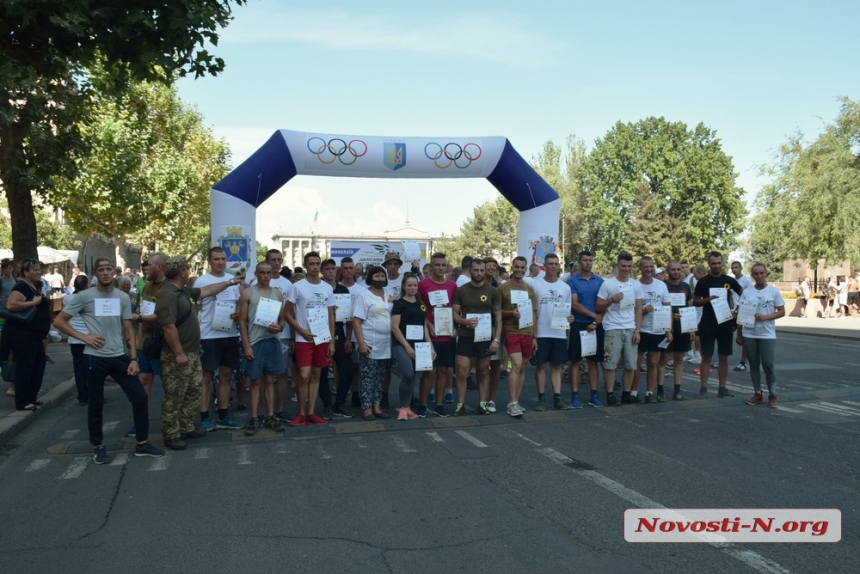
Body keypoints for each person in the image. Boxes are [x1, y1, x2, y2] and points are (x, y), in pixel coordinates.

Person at [53, 258, 164, 463]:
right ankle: (98, 446)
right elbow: (59, 321)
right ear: (96, 273)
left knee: (139, 397)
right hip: (94, 357)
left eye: (108, 269)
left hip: (119, 356)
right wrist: (84, 337)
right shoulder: (84, 296)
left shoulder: (122, 297)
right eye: (101, 270)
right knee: (95, 403)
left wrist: (133, 358)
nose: (105, 273)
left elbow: (128, 328)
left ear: (114, 272)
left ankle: (142, 443)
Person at [156, 256, 242, 450]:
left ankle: (186, 426)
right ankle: (171, 433)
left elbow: (206, 291)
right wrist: (179, 353)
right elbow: (168, 327)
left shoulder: (183, 291)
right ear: (182, 273)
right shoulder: (167, 295)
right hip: (177, 355)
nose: (188, 272)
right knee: (175, 395)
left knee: (193, 390)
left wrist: (230, 282)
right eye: (186, 269)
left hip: (192, 352)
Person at [195, 247, 244, 432]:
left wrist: (239, 313)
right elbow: (196, 309)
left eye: (223, 259)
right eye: (216, 259)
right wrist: (198, 336)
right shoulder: (202, 281)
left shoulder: (235, 281)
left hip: (230, 334)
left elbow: (238, 305)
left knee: (225, 376)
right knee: (206, 377)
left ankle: (224, 415)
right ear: (209, 261)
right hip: (209, 335)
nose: (221, 262)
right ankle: (205, 417)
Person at [285, 251, 336, 426]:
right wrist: (301, 331)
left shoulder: (327, 288)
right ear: (305, 265)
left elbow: (331, 315)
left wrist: (332, 341)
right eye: (311, 264)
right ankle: (300, 413)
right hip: (303, 338)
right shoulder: (298, 286)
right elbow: (286, 313)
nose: (314, 267)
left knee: (316, 374)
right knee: (304, 375)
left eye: (317, 264)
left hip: (322, 338)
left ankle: (311, 412)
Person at [238, 261, 287, 435]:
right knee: (255, 381)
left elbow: (282, 319)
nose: (266, 276)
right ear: (257, 274)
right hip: (255, 342)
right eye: (262, 273)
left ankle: (270, 417)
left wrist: (280, 327)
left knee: (269, 380)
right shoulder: (248, 293)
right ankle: (254, 418)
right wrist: (246, 346)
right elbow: (242, 321)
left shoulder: (278, 294)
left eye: (268, 273)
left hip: (272, 341)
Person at [451, 258, 502, 416]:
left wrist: (496, 340)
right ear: (470, 271)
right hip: (466, 336)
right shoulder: (461, 290)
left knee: (483, 371)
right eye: (476, 270)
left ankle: (482, 403)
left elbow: (498, 319)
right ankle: (460, 404)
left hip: (485, 338)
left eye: (481, 270)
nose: (479, 273)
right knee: (461, 370)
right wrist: (464, 321)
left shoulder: (492, 291)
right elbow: (454, 314)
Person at [127, 252, 167, 438]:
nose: (145, 268)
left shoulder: (169, 288)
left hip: (163, 343)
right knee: (143, 381)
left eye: (149, 265)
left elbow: (167, 317)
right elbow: (144, 310)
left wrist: (140, 317)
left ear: (159, 267)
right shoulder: (147, 287)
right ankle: (141, 423)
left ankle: (170, 423)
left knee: (169, 384)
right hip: (144, 341)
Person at [596, 252, 644, 406]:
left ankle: (626, 394)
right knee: (610, 364)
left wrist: (637, 330)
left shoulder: (636, 285)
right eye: (623, 266)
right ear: (617, 265)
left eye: (629, 266)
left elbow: (638, 309)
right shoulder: (608, 284)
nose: (626, 269)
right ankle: (610, 395)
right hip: (612, 328)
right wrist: (612, 299)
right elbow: (598, 305)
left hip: (630, 329)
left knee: (631, 364)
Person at [693, 251, 743, 399]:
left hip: (725, 323)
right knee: (706, 357)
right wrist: (708, 299)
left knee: (723, 357)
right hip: (708, 323)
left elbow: (744, 295)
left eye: (719, 263)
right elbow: (695, 301)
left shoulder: (729, 280)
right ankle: (703, 388)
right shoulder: (703, 282)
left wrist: (738, 313)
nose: (716, 266)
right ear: (709, 264)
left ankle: (722, 388)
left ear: (722, 263)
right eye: (713, 263)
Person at [4, 258, 52, 411]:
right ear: (25, 272)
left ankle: (31, 398)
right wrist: (34, 303)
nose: (39, 272)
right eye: (35, 269)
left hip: (34, 336)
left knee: (37, 366)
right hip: (23, 335)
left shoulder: (32, 286)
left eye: (39, 269)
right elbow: (11, 305)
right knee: (25, 367)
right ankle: (23, 401)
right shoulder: (22, 287)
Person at [736, 264, 785, 408]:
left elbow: (781, 311)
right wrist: (739, 334)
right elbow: (741, 313)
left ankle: (773, 394)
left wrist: (766, 317)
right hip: (749, 333)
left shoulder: (773, 291)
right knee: (753, 363)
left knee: (768, 364)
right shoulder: (747, 292)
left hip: (767, 333)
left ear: (766, 273)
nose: (759, 276)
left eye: (762, 273)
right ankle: (757, 393)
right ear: (752, 275)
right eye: (756, 274)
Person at [417, 252, 458, 417]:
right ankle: (422, 404)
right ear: (431, 266)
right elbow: (419, 307)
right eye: (437, 265)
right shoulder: (423, 284)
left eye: (443, 265)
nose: (440, 268)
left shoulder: (453, 286)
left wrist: (457, 328)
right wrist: (428, 323)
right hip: (429, 335)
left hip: (447, 335)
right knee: (429, 372)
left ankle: (439, 404)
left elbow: (457, 310)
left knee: (443, 371)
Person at [531, 253, 573, 411]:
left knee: (556, 366)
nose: (553, 266)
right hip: (541, 332)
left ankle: (557, 398)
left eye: (556, 264)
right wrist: (533, 335)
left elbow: (567, 311)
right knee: (540, 366)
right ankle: (541, 399)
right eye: (550, 264)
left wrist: (569, 318)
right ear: (545, 265)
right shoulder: (536, 285)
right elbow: (533, 312)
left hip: (559, 333)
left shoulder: (565, 287)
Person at [390, 273, 434, 420]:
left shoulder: (421, 304)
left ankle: (407, 408)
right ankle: (403, 408)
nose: (412, 288)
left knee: (413, 376)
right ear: (404, 286)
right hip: (401, 344)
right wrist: (407, 347)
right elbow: (395, 327)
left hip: (419, 345)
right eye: (409, 285)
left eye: (415, 285)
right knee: (408, 373)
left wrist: (431, 347)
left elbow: (424, 327)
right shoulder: (399, 304)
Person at [498, 256, 537, 416]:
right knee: (516, 364)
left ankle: (516, 401)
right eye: (517, 267)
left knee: (523, 367)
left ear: (526, 269)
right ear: (512, 268)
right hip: (511, 331)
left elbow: (534, 313)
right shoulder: (503, 288)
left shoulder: (529, 289)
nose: (519, 270)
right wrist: (510, 313)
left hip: (527, 332)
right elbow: (497, 312)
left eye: (522, 267)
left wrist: (535, 336)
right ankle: (512, 402)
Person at [630, 257, 672, 404]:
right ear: (640, 269)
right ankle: (633, 392)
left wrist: (668, 329)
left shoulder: (661, 285)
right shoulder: (635, 285)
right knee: (636, 363)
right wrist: (644, 311)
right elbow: (631, 309)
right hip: (640, 329)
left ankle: (649, 393)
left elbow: (667, 307)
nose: (649, 270)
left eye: (651, 267)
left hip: (657, 330)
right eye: (645, 267)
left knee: (653, 363)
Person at [567, 250, 605, 408]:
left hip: (595, 326)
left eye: (590, 260)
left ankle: (594, 395)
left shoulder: (600, 281)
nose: (588, 263)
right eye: (585, 260)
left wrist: (596, 321)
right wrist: (593, 315)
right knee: (575, 361)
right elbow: (574, 304)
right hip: (578, 324)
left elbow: (603, 304)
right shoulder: (572, 281)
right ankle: (574, 396)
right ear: (579, 262)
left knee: (593, 362)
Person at [353, 265, 391, 420]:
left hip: (386, 344)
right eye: (377, 276)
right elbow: (356, 321)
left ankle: (377, 406)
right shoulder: (364, 295)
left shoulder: (388, 294)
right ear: (370, 278)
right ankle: (367, 408)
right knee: (368, 376)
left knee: (380, 377)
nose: (380, 279)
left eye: (383, 276)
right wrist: (361, 343)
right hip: (369, 343)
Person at [658, 260, 693, 401]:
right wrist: (671, 317)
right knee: (663, 359)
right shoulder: (662, 286)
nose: (676, 272)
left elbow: (690, 307)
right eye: (673, 269)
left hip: (683, 328)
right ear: (667, 270)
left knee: (679, 359)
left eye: (679, 269)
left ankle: (677, 391)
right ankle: (660, 391)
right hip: (666, 328)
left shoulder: (685, 287)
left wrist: (692, 329)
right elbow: (659, 307)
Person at [65, 275, 92, 405]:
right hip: (89, 338)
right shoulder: (89, 298)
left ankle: (82, 396)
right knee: (92, 369)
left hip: (74, 338)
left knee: (79, 369)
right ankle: (93, 394)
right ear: (86, 286)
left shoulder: (67, 299)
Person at [730, 261, 753, 371]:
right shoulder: (731, 281)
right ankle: (722, 358)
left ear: (741, 268)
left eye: (736, 267)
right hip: (732, 311)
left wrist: (741, 309)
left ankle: (743, 362)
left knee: (743, 336)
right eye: (732, 268)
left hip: (743, 310)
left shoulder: (746, 280)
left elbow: (749, 296)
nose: (734, 269)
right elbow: (729, 294)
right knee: (725, 334)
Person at [0, 258, 17, 396]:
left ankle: (12, 384)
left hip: (12, 312)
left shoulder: (15, 281)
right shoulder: (1, 281)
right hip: (2, 311)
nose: (8, 270)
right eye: (6, 268)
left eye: (10, 268)